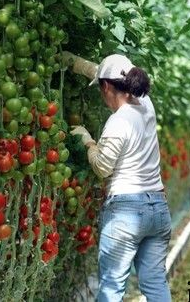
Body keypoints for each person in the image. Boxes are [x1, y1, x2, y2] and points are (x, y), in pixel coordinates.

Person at [69, 54, 172, 302]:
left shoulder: (118, 122)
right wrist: (75, 63)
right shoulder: (145, 104)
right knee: (155, 283)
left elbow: (102, 167)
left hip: (126, 212)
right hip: (158, 209)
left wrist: (87, 141)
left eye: (101, 89)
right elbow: (104, 71)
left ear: (106, 87)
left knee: (111, 288)